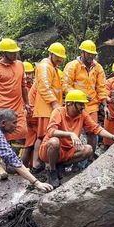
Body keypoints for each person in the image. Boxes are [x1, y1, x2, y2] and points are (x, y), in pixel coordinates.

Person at [39, 90, 114, 187]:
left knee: (88, 149)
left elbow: (96, 128)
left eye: (83, 104)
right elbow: (51, 131)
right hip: (49, 151)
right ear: (70, 104)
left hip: (68, 151)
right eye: (81, 104)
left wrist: (113, 137)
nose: (83, 107)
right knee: (54, 141)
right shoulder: (58, 112)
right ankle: (52, 170)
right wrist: (70, 134)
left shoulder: (82, 114)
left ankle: (61, 165)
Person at [0, 38, 30, 178]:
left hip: (16, 105)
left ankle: (12, 162)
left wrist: (26, 103)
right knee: (0, 135)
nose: (14, 55)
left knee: (21, 131)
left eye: (15, 52)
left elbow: (23, 86)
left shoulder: (20, 65)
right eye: (11, 52)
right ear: (3, 52)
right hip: (0, 105)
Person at [64, 40, 108, 154]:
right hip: (74, 106)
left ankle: (90, 157)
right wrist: (79, 96)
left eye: (92, 54)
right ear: (82, 52)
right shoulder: (72, 66)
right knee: (73, 132)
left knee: (92, 132)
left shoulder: (98, 68)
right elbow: (65, 86)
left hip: (92, 106)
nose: (91, 56)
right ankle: (70, 157)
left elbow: (101, 87)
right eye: (88, 53)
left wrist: (105, 105)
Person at [32, 42, 66, 173]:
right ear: (51, 54)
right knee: (44, 136)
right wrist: (54, 104)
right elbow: (44, 87)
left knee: (43, 136)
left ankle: (39, 164)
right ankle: (39, 165)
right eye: (57, 57)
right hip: (47, 108)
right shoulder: (45, 66)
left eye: (61, 58)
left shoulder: (53, 67)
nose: (60, 60)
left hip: (51, 108)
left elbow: (59, 87)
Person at [21, 62, 36, 167]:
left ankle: (31, 165)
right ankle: (23, 165)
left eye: (29, 73)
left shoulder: (34, 86)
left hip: (34, 117)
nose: (27, 76)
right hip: (24, 119)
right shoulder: (19, 87)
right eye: (25, 74)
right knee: (31, 139)